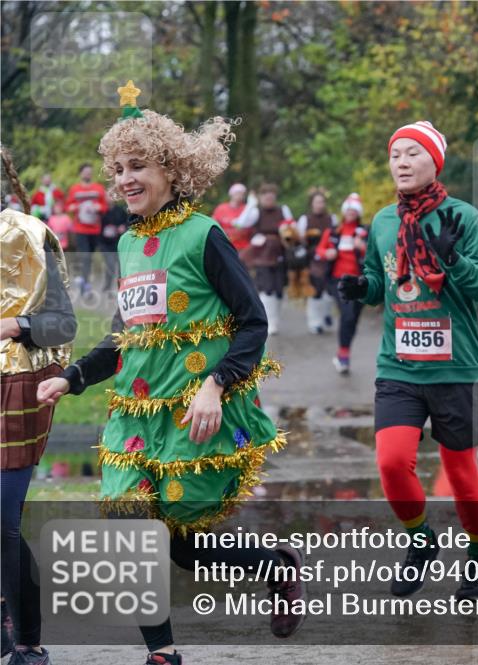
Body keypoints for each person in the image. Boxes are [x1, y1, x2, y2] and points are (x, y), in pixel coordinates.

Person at [35, 84, 304, 665]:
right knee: (130, 534)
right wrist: (75, 376)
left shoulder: (203, 235)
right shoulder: (129, 244)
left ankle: (275, 565)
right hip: (135, 419)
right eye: (119, 169)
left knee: (183, 547)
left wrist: (216, 384)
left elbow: (253, 321)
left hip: (192, 414)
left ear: (173, 170)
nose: (125, 179)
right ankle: (163, 654)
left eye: (140, 166)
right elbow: (123, 336)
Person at [338, 120, 478, 600]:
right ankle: (421, 541)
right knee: (391, 463)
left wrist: (454, 261)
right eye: (396, 155)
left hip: (456, 368)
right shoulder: (384, 222)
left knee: (462, 474)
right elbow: (377, 278)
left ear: (434, 162)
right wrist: (360, 288)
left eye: (413, 153)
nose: (402, 162)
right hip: (399, 366)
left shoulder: (464, 218)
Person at [1, 148, 77, 665]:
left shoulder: (28, 233)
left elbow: (64, 324)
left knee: (2, 523)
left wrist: (15, 326)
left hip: (15, 388)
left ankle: (27, 639)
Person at [231, 184, 294, 335]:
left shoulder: (283, 210)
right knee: (267, 288)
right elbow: (240, 223)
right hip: (261, 255)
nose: (269, 199)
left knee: (279, 289)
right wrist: (251, 205)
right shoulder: (256, 212)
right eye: (265, 196)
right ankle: (269, 322)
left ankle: (275, 320)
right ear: (261, 198)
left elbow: (292, 227)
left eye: (271, 196)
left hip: (280, 253)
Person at [315, 193, 367, 372]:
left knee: (353, 319)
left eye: (354, 210)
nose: (351, 213)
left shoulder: (364, 231)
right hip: (338, 280)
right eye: (348, 210)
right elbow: (320, 249)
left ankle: (343, 353)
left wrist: (363, 247)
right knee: (348, 315)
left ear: (358, 213)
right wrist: (326, 253)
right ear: (344, 212)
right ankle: (344, 356)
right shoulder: (333, 232)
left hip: (360, 281)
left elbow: (376, 253)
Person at [66, 162, 109, 293]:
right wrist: (73, 207)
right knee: (85, 257)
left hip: (96, 229)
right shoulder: (74, 189)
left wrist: (99, 208)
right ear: (80, 173)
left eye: (90, 172)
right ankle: (85, 285)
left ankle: (89, 282)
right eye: (85, 172)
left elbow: (105, 206)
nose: (88, 174)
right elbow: (68, 206)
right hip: (80, 229)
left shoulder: (98, 188)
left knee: (95, 256)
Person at [299, 189, 338, 334]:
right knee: (316, 290)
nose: (320, 205)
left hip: (330, 258)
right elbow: (300, 241)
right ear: (312, 204)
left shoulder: (332, 219)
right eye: (317, 202)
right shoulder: (305, 219)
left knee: (330, 291)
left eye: (322, 202)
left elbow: (336, 237)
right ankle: (315, 322)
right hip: (312, 259)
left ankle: (326, 315)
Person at [210, 182, 251, 251]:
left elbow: (249, 228)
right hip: (224, 244)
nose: (240, 196)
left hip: (243, 247)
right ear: (231, 194)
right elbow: (213, 225)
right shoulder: (221, 208)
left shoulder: (247, 209)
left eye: (242, 194)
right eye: (237, 193)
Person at [98, 201, 128, 292]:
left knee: (120, 267)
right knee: (110, 265)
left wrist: (124, 227)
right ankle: (107, 286)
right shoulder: (101, 210)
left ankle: (122, 287)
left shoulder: (121, 210)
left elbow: (129, 221)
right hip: (105, 244)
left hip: (118, 242)